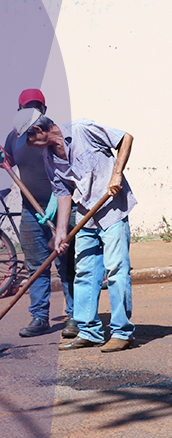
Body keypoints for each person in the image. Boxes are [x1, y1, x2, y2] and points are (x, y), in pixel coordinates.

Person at [14, 108, 136, 352]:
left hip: (112, 210)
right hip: (85, 216)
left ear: (38, 130)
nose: (28, 145)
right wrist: (60, 233)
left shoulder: (82, 130)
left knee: (116, 270)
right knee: (84, 273)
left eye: (28, 139)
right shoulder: (49, 157)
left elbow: (125, 138)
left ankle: (122, 333)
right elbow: (63, 193)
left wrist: (116, 174)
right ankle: (89, 331)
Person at [3, 89, 74, 338]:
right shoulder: (14, 137)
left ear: (44, 110)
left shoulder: (51, 135)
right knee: (36, 267)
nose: (31, 111)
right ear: (19, 109)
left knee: (66, 264)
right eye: (27, 107)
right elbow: (8, 160)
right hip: (31, 211)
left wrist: (57, 200)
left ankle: (74, 317)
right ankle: (40, 317)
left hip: (61, 208)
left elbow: (69, 172)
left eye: (36, 107)